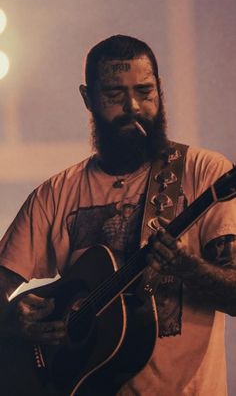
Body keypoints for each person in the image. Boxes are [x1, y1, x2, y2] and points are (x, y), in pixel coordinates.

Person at [0, 34, 236, 396]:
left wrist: (188, 267)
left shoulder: (204, 174)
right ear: (87, 98)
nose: (133, 107)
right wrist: (12, 320)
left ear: (160, 89)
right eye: (114, 95)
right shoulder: (56, 194)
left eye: (145, 91)